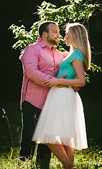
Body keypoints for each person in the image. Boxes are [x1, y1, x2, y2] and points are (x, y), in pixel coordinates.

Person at [32, 23, 90, 169]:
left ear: (75, 36)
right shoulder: (71, 54)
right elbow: (54, 56)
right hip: (60, 94)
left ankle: (69, 167)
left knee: (49, 135)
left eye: (67, 34)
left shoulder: (76, 55)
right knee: (64, 138)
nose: (64, 37)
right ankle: (69, 167)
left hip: (63, 95)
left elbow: (81, 80)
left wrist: (59, 81)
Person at [19, 21, 64, 168]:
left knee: (47, 136)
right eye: (55, 31)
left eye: (58, 31)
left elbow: (64, 75)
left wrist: (71, 84)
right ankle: (24, 164)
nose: (59, 34)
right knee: (29, 135)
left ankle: (43, 165)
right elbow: (31, 72)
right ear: (44, 34)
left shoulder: (58, 54)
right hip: (32, 100)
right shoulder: (31, 50)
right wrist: (55, 81)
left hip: (51, 101)